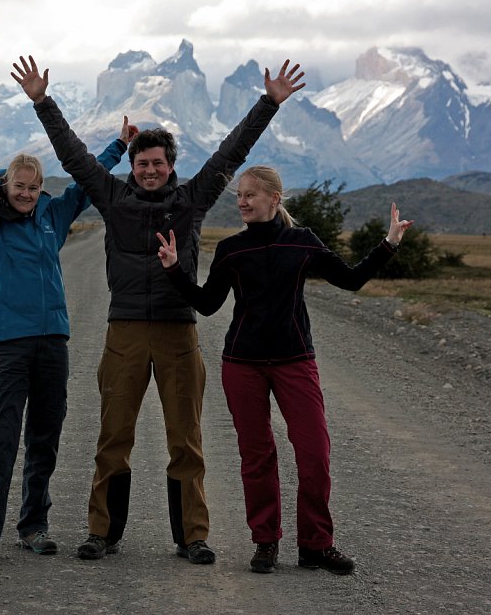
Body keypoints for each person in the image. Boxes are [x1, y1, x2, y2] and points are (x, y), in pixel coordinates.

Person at [11, 55, 305, 564]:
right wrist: (43, 101)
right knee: (113, 437)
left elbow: (231, 154)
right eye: (142, 163)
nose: (149, 170)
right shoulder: (111, 195)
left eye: (158, 164)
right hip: (123, 331)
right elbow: (74, 156)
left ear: (171, 166)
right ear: (133, 166)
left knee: (185, 439)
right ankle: (101, 532)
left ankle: (193, 536)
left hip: (177, 333)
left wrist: (268, 104)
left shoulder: (192, 199)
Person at [155, 165, 413, 574]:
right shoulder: (231, 250)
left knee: (315, 453)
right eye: (239, 195)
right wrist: (173, 269)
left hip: (295, 361)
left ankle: (316, 545)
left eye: (250, 195)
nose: (241, 201)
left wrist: (389, 242)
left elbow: (349, 280)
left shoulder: (301, 242)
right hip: (243, 365)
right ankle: (265, 542)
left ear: (274, 199)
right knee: (257, 457)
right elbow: (206, 304)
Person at [0, 114, 133, 565]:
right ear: (6, 185)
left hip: (52, 344)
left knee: (44, 439)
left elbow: (89, 184)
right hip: (7, 346)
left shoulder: (53, 215)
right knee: (1, 440)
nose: (26, 193)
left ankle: (34, 526)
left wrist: (120, 147)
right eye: (19, 185)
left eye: (33, 187)